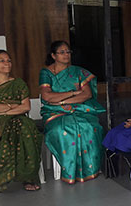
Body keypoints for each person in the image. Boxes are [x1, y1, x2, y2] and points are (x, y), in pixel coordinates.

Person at [39, 41, 105, 184]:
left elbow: (86, 95)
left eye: (68, 52)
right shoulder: (46, 73)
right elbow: (47, 96)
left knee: (88, 126)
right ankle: (69, 170)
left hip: (79, 109)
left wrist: (63, 101)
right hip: (54, 112)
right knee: (62, 128)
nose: (66, 55)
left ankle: (91, 169)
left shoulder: (79, 72)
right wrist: (73, 93)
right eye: (62, 52)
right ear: (53, 55)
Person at [0, 49, 43, 192]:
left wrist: (6, 111)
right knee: (14, 130)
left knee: (26, 128)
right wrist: (12, 106)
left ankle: (28, 177)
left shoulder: (19, 83)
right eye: (2, 60)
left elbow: (26, 107)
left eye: (8, 60)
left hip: (18, 119)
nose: (7, 63)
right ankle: (8, 176)